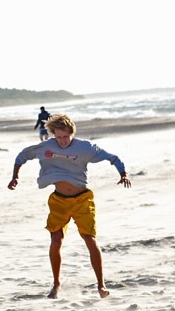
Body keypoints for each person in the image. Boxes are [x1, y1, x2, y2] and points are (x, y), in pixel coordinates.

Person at [8, 113, 131, 299]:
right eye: (58, 137)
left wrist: (123, 173)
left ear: (72, 133)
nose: (62, 141)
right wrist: (15, 177)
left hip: (82, 200)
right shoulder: (46, 147)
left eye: (66, 137)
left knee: (89, 239)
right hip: (59, 201)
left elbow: (112, 157)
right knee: (56, 240)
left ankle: (101, 285)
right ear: (53, 135)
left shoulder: (85, 148)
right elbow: (22, 156)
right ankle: (56, 284)